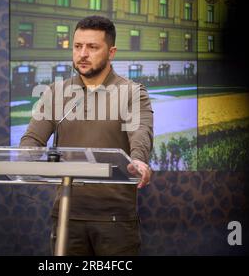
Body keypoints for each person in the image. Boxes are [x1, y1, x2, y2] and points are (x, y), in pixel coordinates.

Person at [20, 16, 153, 256]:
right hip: (67, 215)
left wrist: (139, 159)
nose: (83, 53)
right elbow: (32, 140)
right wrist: (23, 157)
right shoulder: (56, 92)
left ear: (111, 52)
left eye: (92, 47)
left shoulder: (132, 92)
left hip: (115, 219)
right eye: (78, 46)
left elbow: (140, 132)